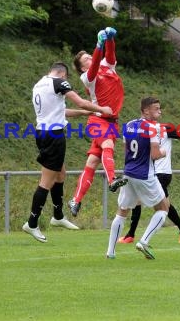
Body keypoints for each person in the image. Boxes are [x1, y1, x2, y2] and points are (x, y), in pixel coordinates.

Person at [23, 62, 112, 243]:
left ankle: (58, 215)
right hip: (53, 136)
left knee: (60, 174)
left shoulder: (40, 84)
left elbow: (62, 111)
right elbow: (80, 101)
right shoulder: (59, 82)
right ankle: (32, 223)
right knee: (46, 182)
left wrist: (85, 114)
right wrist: (101, 109)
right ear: (64, 75)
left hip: (44, 133)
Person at [117, 121, 180, 244]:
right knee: (162, 204)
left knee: (144, 202)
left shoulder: (166, 128)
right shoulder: (142, 130)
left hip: (161, 173)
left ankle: (131, 236)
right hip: (148, 172)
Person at [68, 27, 127, 217]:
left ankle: (75, 199)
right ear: (82, 67)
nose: (89, 59)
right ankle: (112, 180)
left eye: (89, 56)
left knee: (93, 162)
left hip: (111, 121)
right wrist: (98, 45)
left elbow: (110, 55)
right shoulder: (87, 77)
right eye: (85, 59)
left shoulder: (107, 66)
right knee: (108, 144)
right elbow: (94, 68)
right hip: (97, 120)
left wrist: (109, 39)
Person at [106, 97, 171, 259]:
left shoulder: (128, 125)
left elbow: (125, 147)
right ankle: (143, 241)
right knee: (163, 208)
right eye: (156, 108)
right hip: (145, 175)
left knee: (122, 212)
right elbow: (155, 154)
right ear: (146, 111)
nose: (159, 111)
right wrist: (163, 152)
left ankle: (110, 252)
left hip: (128, 172)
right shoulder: (152, 128)